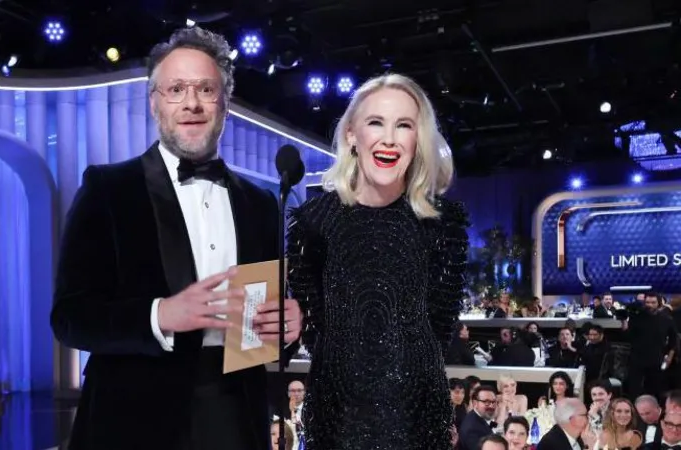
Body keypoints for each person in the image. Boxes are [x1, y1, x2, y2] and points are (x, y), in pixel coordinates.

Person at [50, 26, 302, 450]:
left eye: (206, 89)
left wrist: (287, 328)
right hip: (134, 422)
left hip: (237, 419)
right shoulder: (108, 189)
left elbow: (265, 324)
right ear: (154, 103)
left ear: (225, 103)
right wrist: (160, 315)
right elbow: (70, 318)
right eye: (176, 89)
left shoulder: (260, 203)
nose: (191, 102)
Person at [287, 73, 469, 449]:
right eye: (376, 122)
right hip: (337, 418)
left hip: (418, 420)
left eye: (404, 125)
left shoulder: (443, 224)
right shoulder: (314, 223)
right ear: (351, 134)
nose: (389, 138)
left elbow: (439, 330)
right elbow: (315, 330)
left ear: (417, 140)